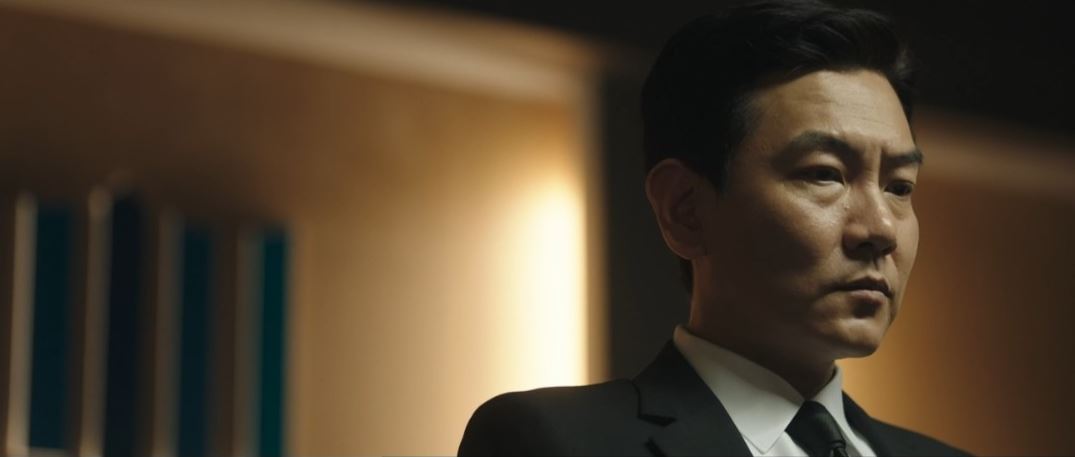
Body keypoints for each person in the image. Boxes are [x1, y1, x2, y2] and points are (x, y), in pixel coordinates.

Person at [459, 0, 970, 455]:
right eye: (824, 174)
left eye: (899, 186)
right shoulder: (554, 441)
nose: (880, 228)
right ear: (685, 209)